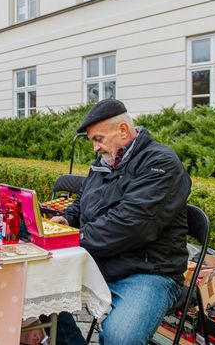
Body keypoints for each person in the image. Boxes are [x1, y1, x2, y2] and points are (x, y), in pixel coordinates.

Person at [51, 99, 190, 345]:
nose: (95, 148)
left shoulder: (160, 163)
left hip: (147, 271)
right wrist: (67, 219)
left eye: (98, 139)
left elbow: (131, 225)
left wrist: (75, 238)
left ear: (123, 130)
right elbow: (83, 200)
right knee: (39, 287)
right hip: (100, 260)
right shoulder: (106, 161)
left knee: (121, 337)